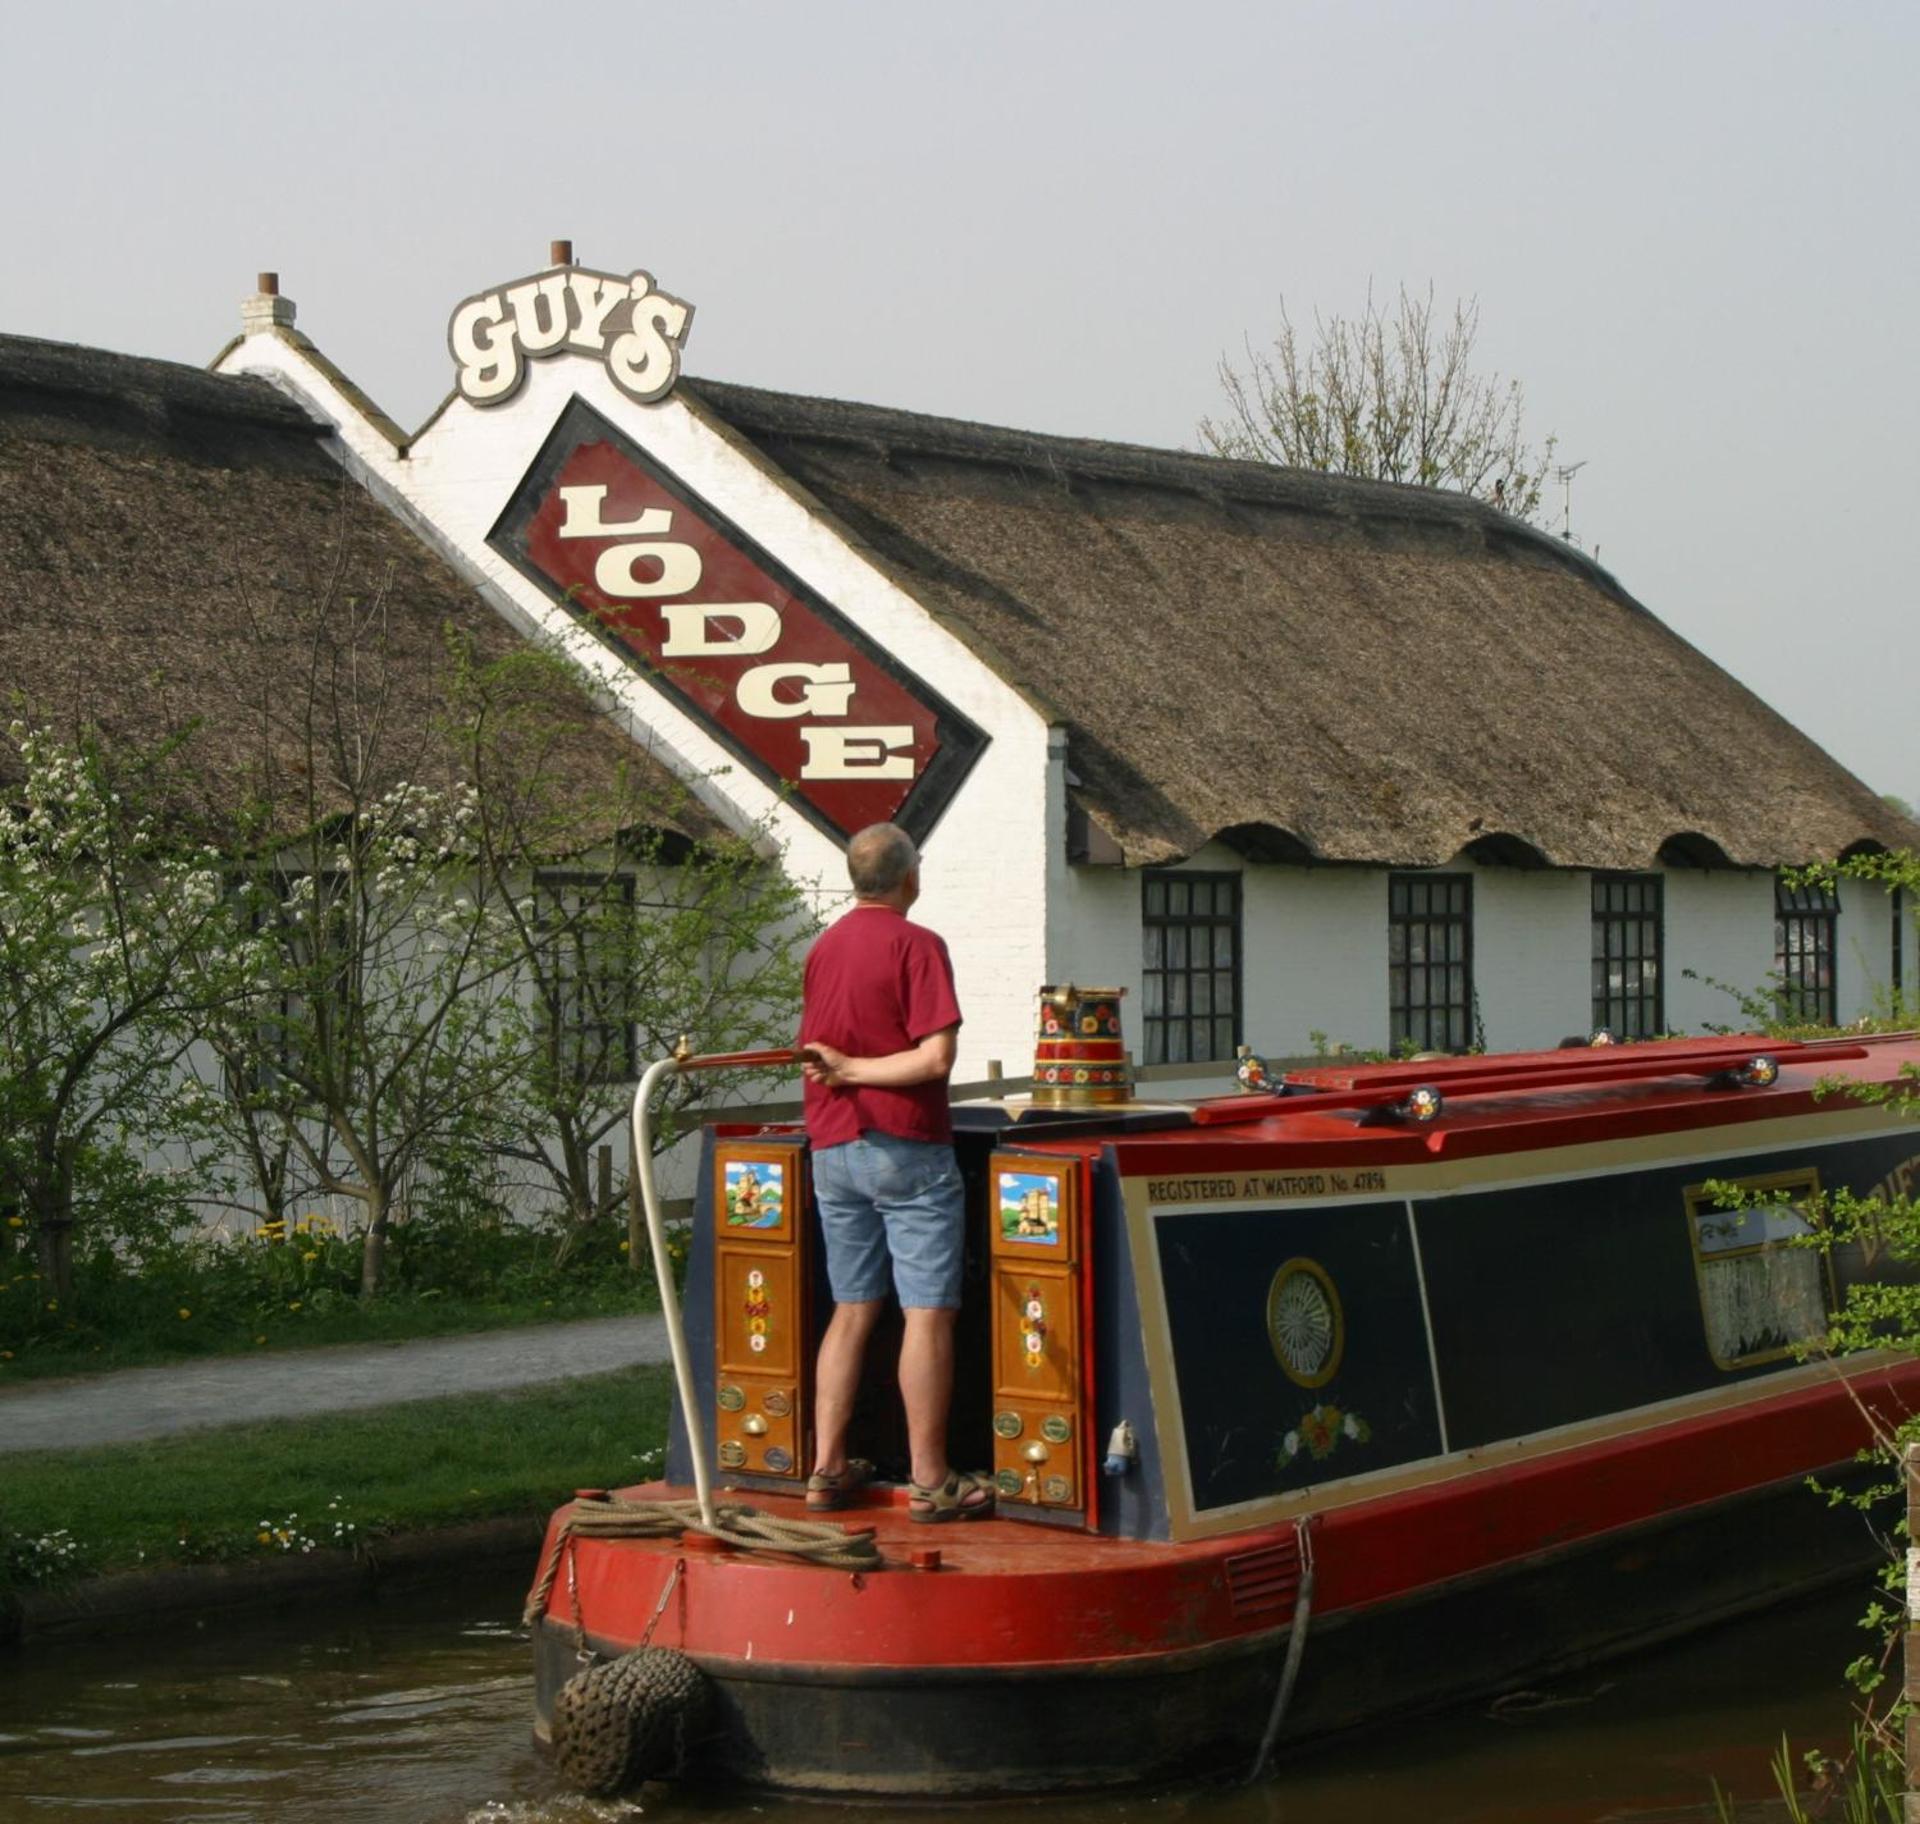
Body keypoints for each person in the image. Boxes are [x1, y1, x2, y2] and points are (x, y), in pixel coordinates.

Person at [799, 822, 993, 1523]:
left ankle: (827, 1469)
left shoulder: (823, 948)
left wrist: (844, 1071)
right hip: (904, 1146)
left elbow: (818, 1053)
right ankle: (932, 1480)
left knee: (852, 1307)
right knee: (926, 1311)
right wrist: (857, 1070)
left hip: (832, 1146)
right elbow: (935, 1059)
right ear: (912, 877)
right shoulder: (918, 944)